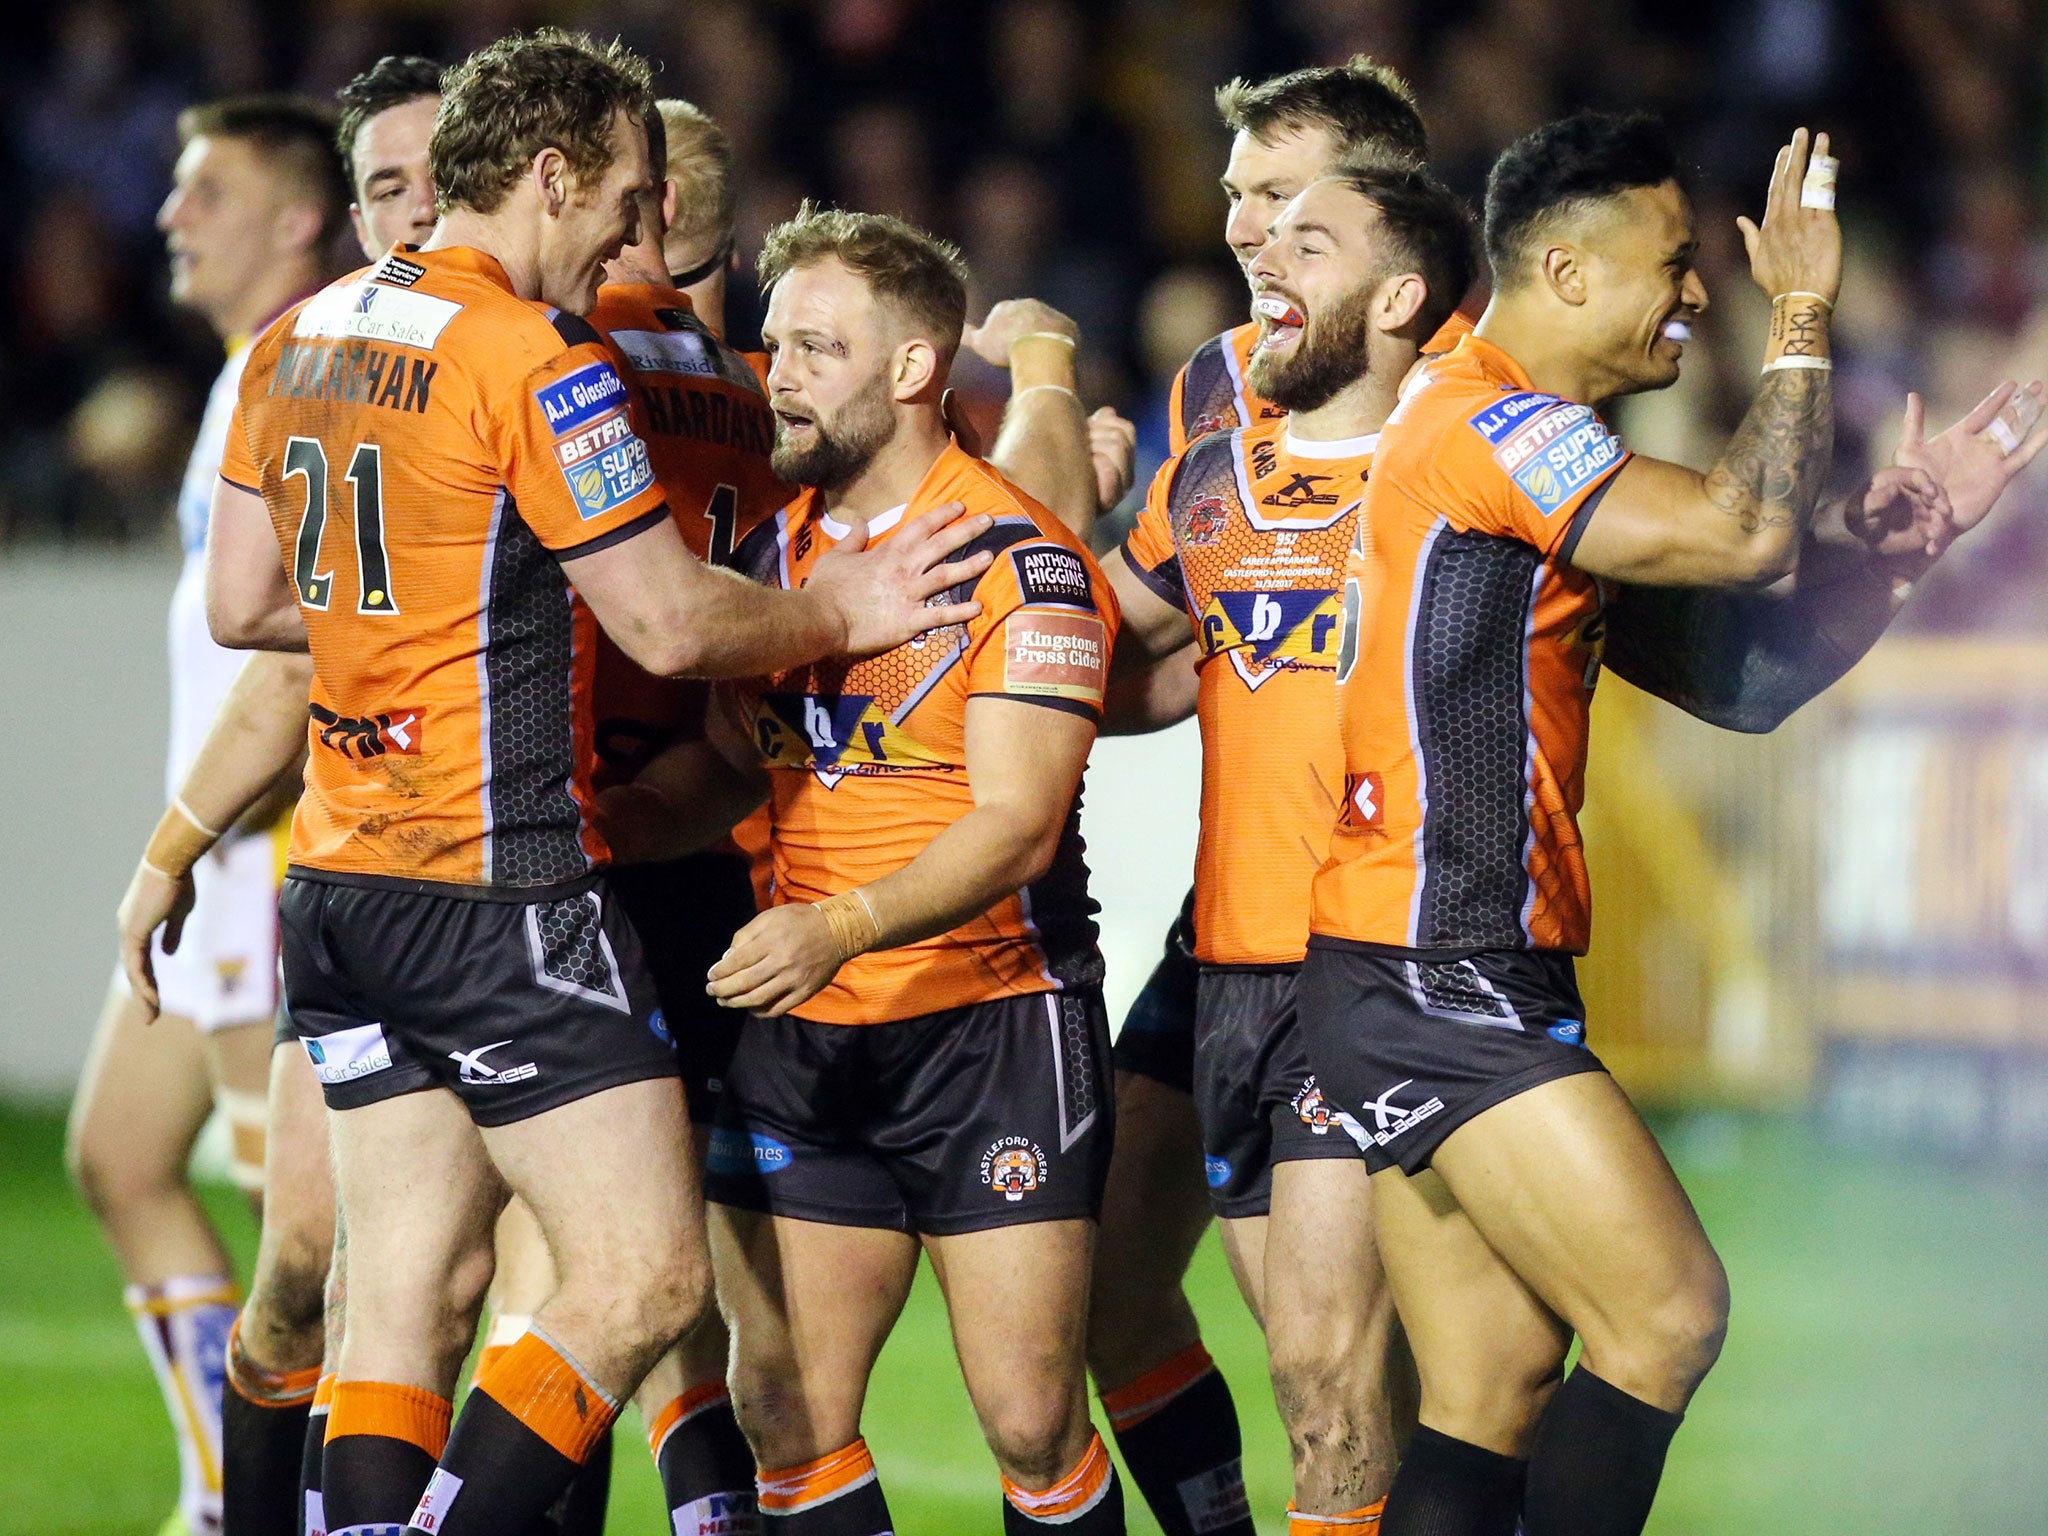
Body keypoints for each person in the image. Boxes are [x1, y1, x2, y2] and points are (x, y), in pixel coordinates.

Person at [198, 31, 997, 1536]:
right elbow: (672, 622)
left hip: (341, 886)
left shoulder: (292, 337)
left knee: (406, 1302)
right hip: (494, 884)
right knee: (645, 1278)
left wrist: (424, 599)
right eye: (625, 202)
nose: (639, 240)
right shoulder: (531, 355)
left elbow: (247, 602)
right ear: (549, 176)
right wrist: (854, 612)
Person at [1304, 113, 1837, 1536]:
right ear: (1568, 268)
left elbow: (1737, 680)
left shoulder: (1515, 451)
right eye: (1675, 260)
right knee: (1665, 1316)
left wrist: (1910, 536)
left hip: (1414, 961)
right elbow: (1746, 534)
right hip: (1440, 963)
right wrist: (1802, 309)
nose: (1695, 290)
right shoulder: (1491, 418)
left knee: (1492, 1383)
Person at [605, 205, 1127, 1536]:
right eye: (774, 341)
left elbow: (1015, 821)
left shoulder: (1021, 559)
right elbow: (736, 757)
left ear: (910, 371)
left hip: (990, 1025)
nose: (776, 371)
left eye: (818, 348)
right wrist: (605, 822)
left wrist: (838, 924)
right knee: (783, 1408)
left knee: (1028, 1418)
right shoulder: (772, 555)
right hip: (808, 1027)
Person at [1099, 164, 1475, 1536]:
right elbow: (1121, 655)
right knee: (1218, 1333)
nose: (1251, 236)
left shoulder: (1469, 439)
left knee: (1337, 1369)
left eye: (1295, 220)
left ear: (1397, 287)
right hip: (1224, 954)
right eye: (1246, 203)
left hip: (1368, 953)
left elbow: (1680, 580)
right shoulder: (1216, 435)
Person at [68, 94, 349, 1536]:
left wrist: (237, 822)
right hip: (210, 857)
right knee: (117, 1152)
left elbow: (318, 641)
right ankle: (218, 1489)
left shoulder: (305, 376)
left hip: (264, 857)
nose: (171, 216)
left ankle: (283, 1507)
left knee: (302, 1248)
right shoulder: (246, 376)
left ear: (300, 216)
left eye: (208, 191)